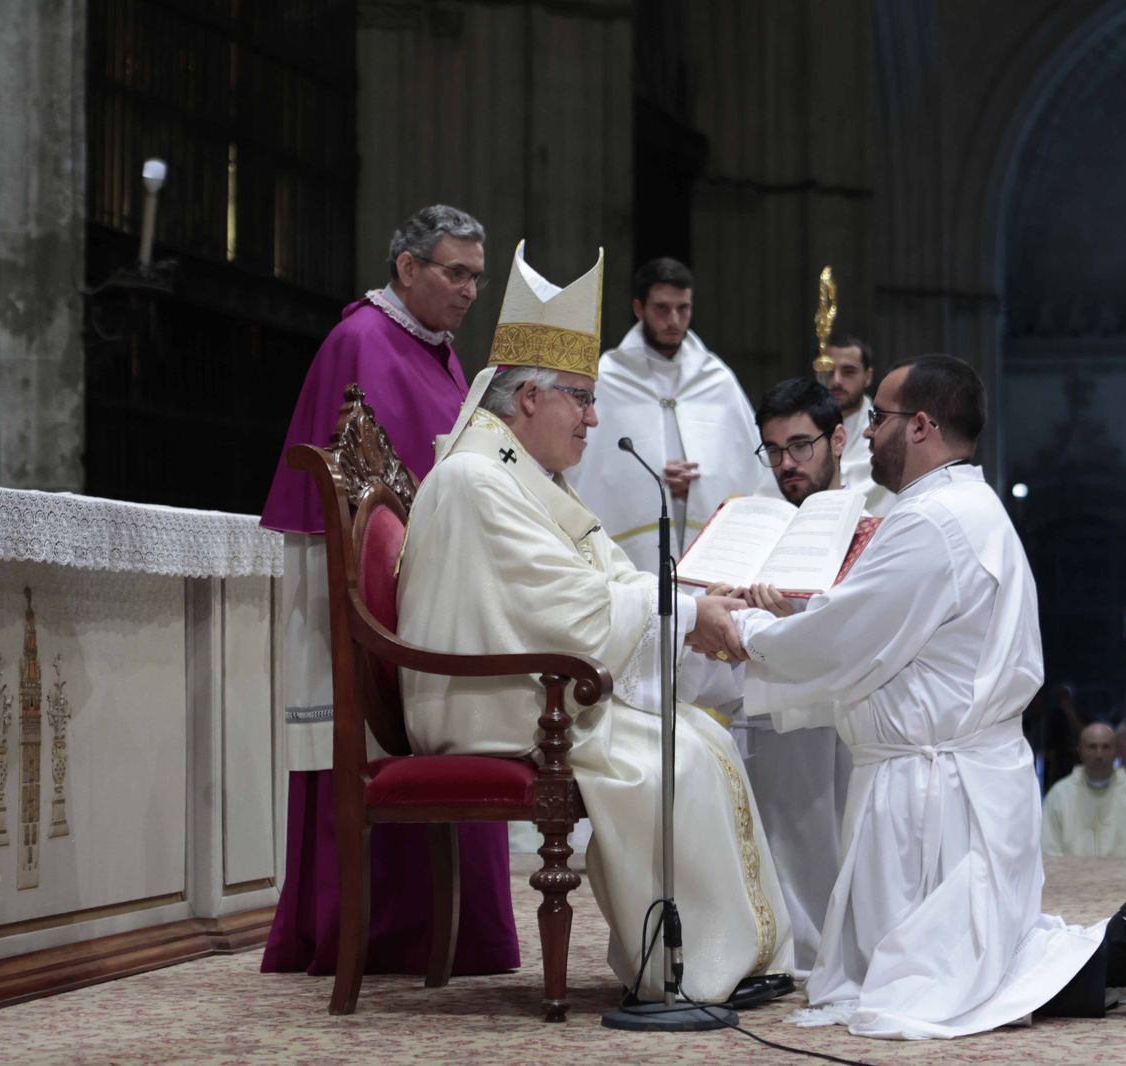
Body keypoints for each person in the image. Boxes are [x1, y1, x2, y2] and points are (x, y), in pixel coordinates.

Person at [722, 354, 1126, 1038]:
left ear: (923, 426)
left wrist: (742, 630)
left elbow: (849, 637)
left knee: (936, 980)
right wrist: (788, 620)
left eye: (878, 417)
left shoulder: (931, 521)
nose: (866, 432)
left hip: (933, 783)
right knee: (959, 954)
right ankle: (1119, 953)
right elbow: (873, 625)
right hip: (955, 770)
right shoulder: (966, 506)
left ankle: (1115, 951)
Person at [396, 242, 793, 1005]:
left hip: (523, 688)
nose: (594, 416)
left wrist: (683, 605)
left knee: (697, 738)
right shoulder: (479, 480)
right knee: (674, 755)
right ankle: (684, 965)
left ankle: (711, 959)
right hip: (485, 704)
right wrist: (677, 614)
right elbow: (562, 609)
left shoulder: (516, 473)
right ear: (528, 400)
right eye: (579, 397)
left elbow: (592, 575)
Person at [257, 205, 517, 979]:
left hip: (437, 592)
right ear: (407, 269)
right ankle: (383, 936)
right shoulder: (362, 343)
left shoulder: (438, 352)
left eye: (477, 275)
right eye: (454, 272)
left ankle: (453, 933)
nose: (469, 290)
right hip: (380, 607)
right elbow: (367, 503)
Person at [716, 377, 857, 976]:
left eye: (801, 446)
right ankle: (791, 950)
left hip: (848, 699)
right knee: (785, 829)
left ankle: (834, 952)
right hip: (774, 696)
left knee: (837, 832)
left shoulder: (877, 510)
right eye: (773, 451)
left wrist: (798, 615)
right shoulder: (759, 517)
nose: (786, 464)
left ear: (839, 439)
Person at [566, 257, 759, 573]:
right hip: (634, 550)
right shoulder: (610, 376)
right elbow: (590, 467)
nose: (674, 320)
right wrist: (654, 480)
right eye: (662, 308)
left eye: (683, 308)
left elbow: (748, 468)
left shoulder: (716, 378)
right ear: (639, 309)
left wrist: (700, 485)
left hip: (702, 542)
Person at [1041, 723, 1126, 857]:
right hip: (1070, 876)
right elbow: (1048, 849)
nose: (1099, 754)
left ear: (1116, 752)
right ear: (1080, 751)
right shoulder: (1060, 794)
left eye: (1106, 747)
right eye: (1092, 747)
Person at [822, 332, 894, 516]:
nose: (836, 380)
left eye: (848, 372)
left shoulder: (889, 434)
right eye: (828, 371)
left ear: (868, 376)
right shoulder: (800, 432)